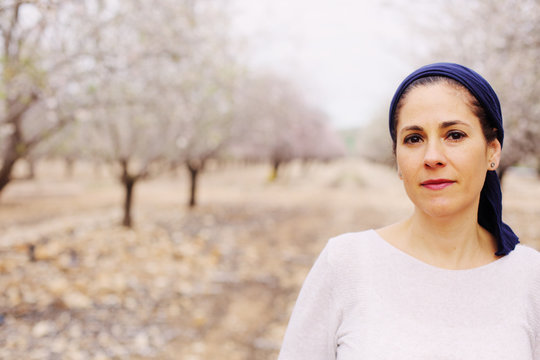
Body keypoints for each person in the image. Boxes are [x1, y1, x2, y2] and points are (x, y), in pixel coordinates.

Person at [277, 63, 540, 359]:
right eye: (414, 138)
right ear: (398, 161)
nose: (432, 157)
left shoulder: (531, 278)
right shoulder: (345, 264)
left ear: (492, 151)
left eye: (454, 135)